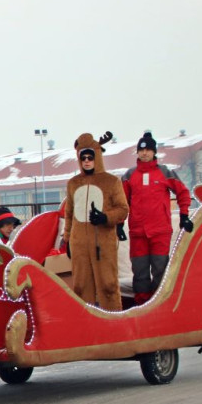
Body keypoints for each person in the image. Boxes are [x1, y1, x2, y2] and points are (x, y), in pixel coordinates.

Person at [121, 131, 194, 305]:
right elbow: (121, 202)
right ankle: (142, 306)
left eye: (148, 150)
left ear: (154, 152)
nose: (144, 153)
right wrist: (117, 225)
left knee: (161, 270)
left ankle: (160, 305)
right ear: (137, 153)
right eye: (141, 150)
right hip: (138, 232)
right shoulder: (129, 176)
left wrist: (184, 214)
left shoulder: (165, 172)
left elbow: (183, 192)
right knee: (140, 272)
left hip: (160, 232)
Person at [62, 131, 129, 312]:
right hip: (79, 244)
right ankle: (85, 325)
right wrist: (67, 238)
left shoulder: (111, 181)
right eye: (83, 157)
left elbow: (123, 209)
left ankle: (114, 322)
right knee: (81, 287)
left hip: (103, 244)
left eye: (90, 157)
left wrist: (106, 217)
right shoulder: (73, 184)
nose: (86, 161)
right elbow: (69, 213)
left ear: (96, 157)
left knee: (108, 285)